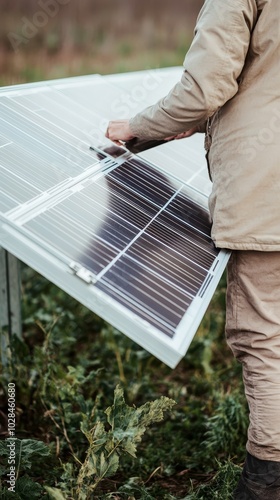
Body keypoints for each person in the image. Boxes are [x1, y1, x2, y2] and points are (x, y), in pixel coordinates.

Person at [105, 0, 280, 498]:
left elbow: (205, 88)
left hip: (268, 187)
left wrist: (139, 125)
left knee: (264, 336)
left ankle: (269, 477)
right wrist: (197, 119)